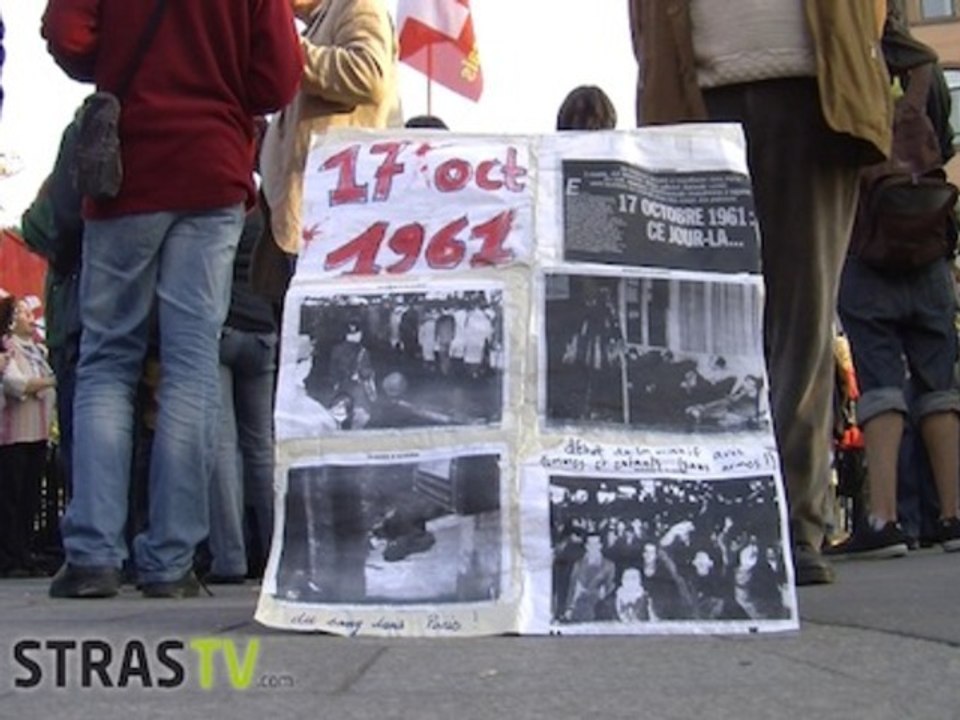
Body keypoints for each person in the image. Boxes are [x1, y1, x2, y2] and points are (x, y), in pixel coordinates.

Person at [42, 0, 302, 599]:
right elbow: (278, 77)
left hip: (130, 168)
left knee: (108, 358)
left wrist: (115, 59)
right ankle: (171, 560)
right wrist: (220, 85)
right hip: (212, 168)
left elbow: (66, 33)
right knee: (191, 363)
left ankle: (93, 556)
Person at [628, 0, 893, 585]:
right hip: (694, 100)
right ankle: (717, 518)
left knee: (804, 319)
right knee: (706, 321)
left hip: (814, 93)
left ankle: (796, 524)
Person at [831, 13, 960, 559]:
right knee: (940, 382)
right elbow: (941, 149)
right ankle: (952, 515)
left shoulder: (844, 65)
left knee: (880, 380)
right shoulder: (929, 70)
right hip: (927, 241)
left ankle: (884, 520)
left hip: (867, 243)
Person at [258, 0, 401, 278]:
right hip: (308, 224)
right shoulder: (316, 29)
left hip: (334, 226)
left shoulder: (356, 5)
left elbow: (369, 74)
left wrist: (288, 52)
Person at [206, 202, 280, 584]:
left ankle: (230, 558)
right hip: (263, 333)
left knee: (224, 447)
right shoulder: (267, 216)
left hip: (222, 329)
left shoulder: (216, 213)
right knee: (261, 447)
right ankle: (274, 550)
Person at [0, 297, 57, 577]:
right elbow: (16, 384)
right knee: (11, 496)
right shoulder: (7, 348)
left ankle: (25, 552)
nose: (30, 317)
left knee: (30, 496)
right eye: (22, 313)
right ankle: (9, 556)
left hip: (38, 432)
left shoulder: (37, 350)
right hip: (13, 434)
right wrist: (49, 382)